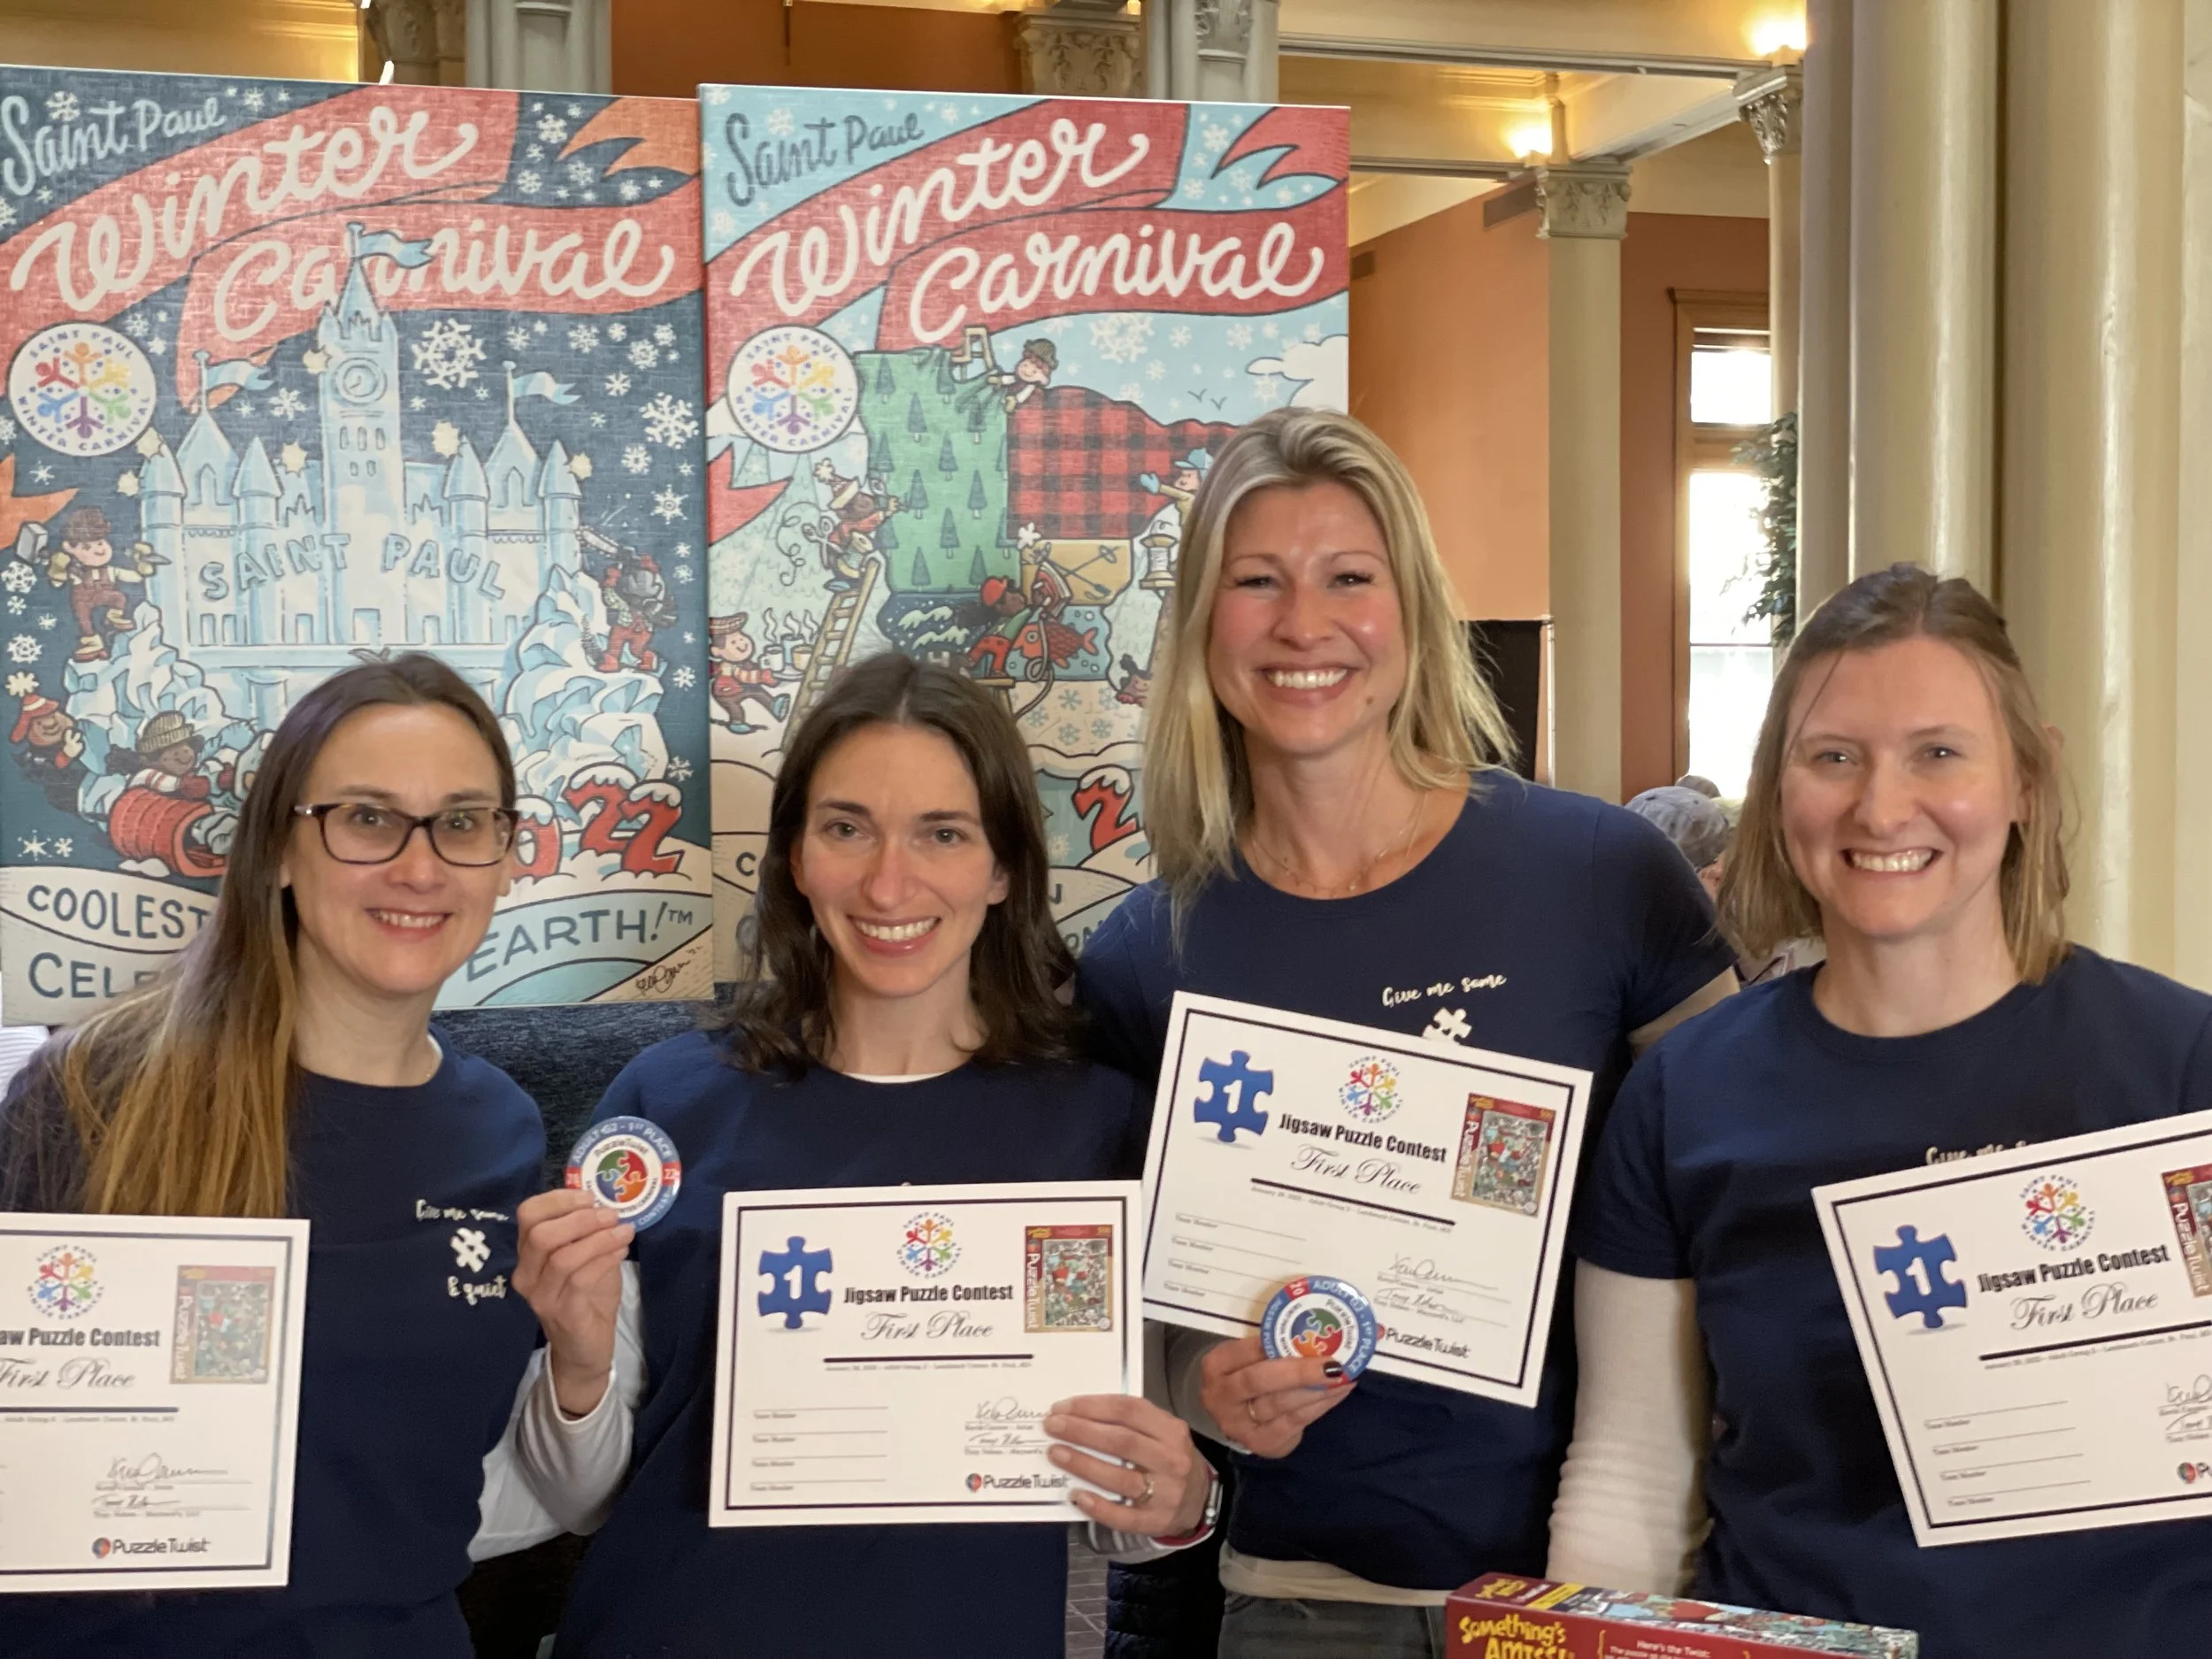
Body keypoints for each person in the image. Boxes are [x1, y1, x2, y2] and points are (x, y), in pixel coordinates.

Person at [1077, 406, 1739, 1656]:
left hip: (1611, 1577)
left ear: (1414, 608)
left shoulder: (1602, 873)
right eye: (1255, 581)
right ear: (1200, 626)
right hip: (1310, 1593)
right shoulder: (1144, 957)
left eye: (1349, 578)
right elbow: (1120, 1321)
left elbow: (1750, 1174)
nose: (1303, 624)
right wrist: (1200, 1386)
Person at [1552, 565, 2212, 1656]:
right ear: (1778, 788)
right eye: (1833, 758)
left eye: (1938, 753)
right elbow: (1630, 1480)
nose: (1880, 806)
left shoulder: (2179, 1066)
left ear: (2026, 778)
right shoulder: (1688, 1093)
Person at [510, 652, 1217, 1658]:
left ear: (1005, 867)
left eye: (943, 833)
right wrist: (575, 1360)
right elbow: (578, 1499)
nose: (891, 882)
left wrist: (1180, 1496)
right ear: (797, 855)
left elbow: (1112, 1506)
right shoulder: (664, 1106)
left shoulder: (1102, 1131)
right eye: (847, 828)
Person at [0, 653, 544, 1657]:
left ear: (505, 858)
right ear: (280, 850)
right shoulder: (90, 1095)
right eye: (368, 818)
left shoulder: (504, 1132)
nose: (419, 868)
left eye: (463, 823)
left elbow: (470, 1479)